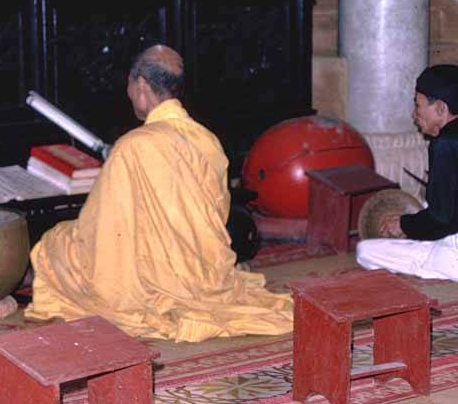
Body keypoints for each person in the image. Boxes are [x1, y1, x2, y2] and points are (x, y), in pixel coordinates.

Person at [26, 45, 294, 342]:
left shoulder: (132, 146)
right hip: (204, 266)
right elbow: (218, 210)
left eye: (129, 84)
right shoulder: (207, 139)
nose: (128, 92)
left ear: (141, 86)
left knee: (55, 245)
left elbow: (99, 225)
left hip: (151, 277)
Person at [356, 64, 458, 282]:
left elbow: (442, 218)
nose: (414, 114)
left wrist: (403, 225)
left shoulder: (445, 145)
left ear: (441, 108)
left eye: (418, 105)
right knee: (421, 216)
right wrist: (410, 225)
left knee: (365, 250)